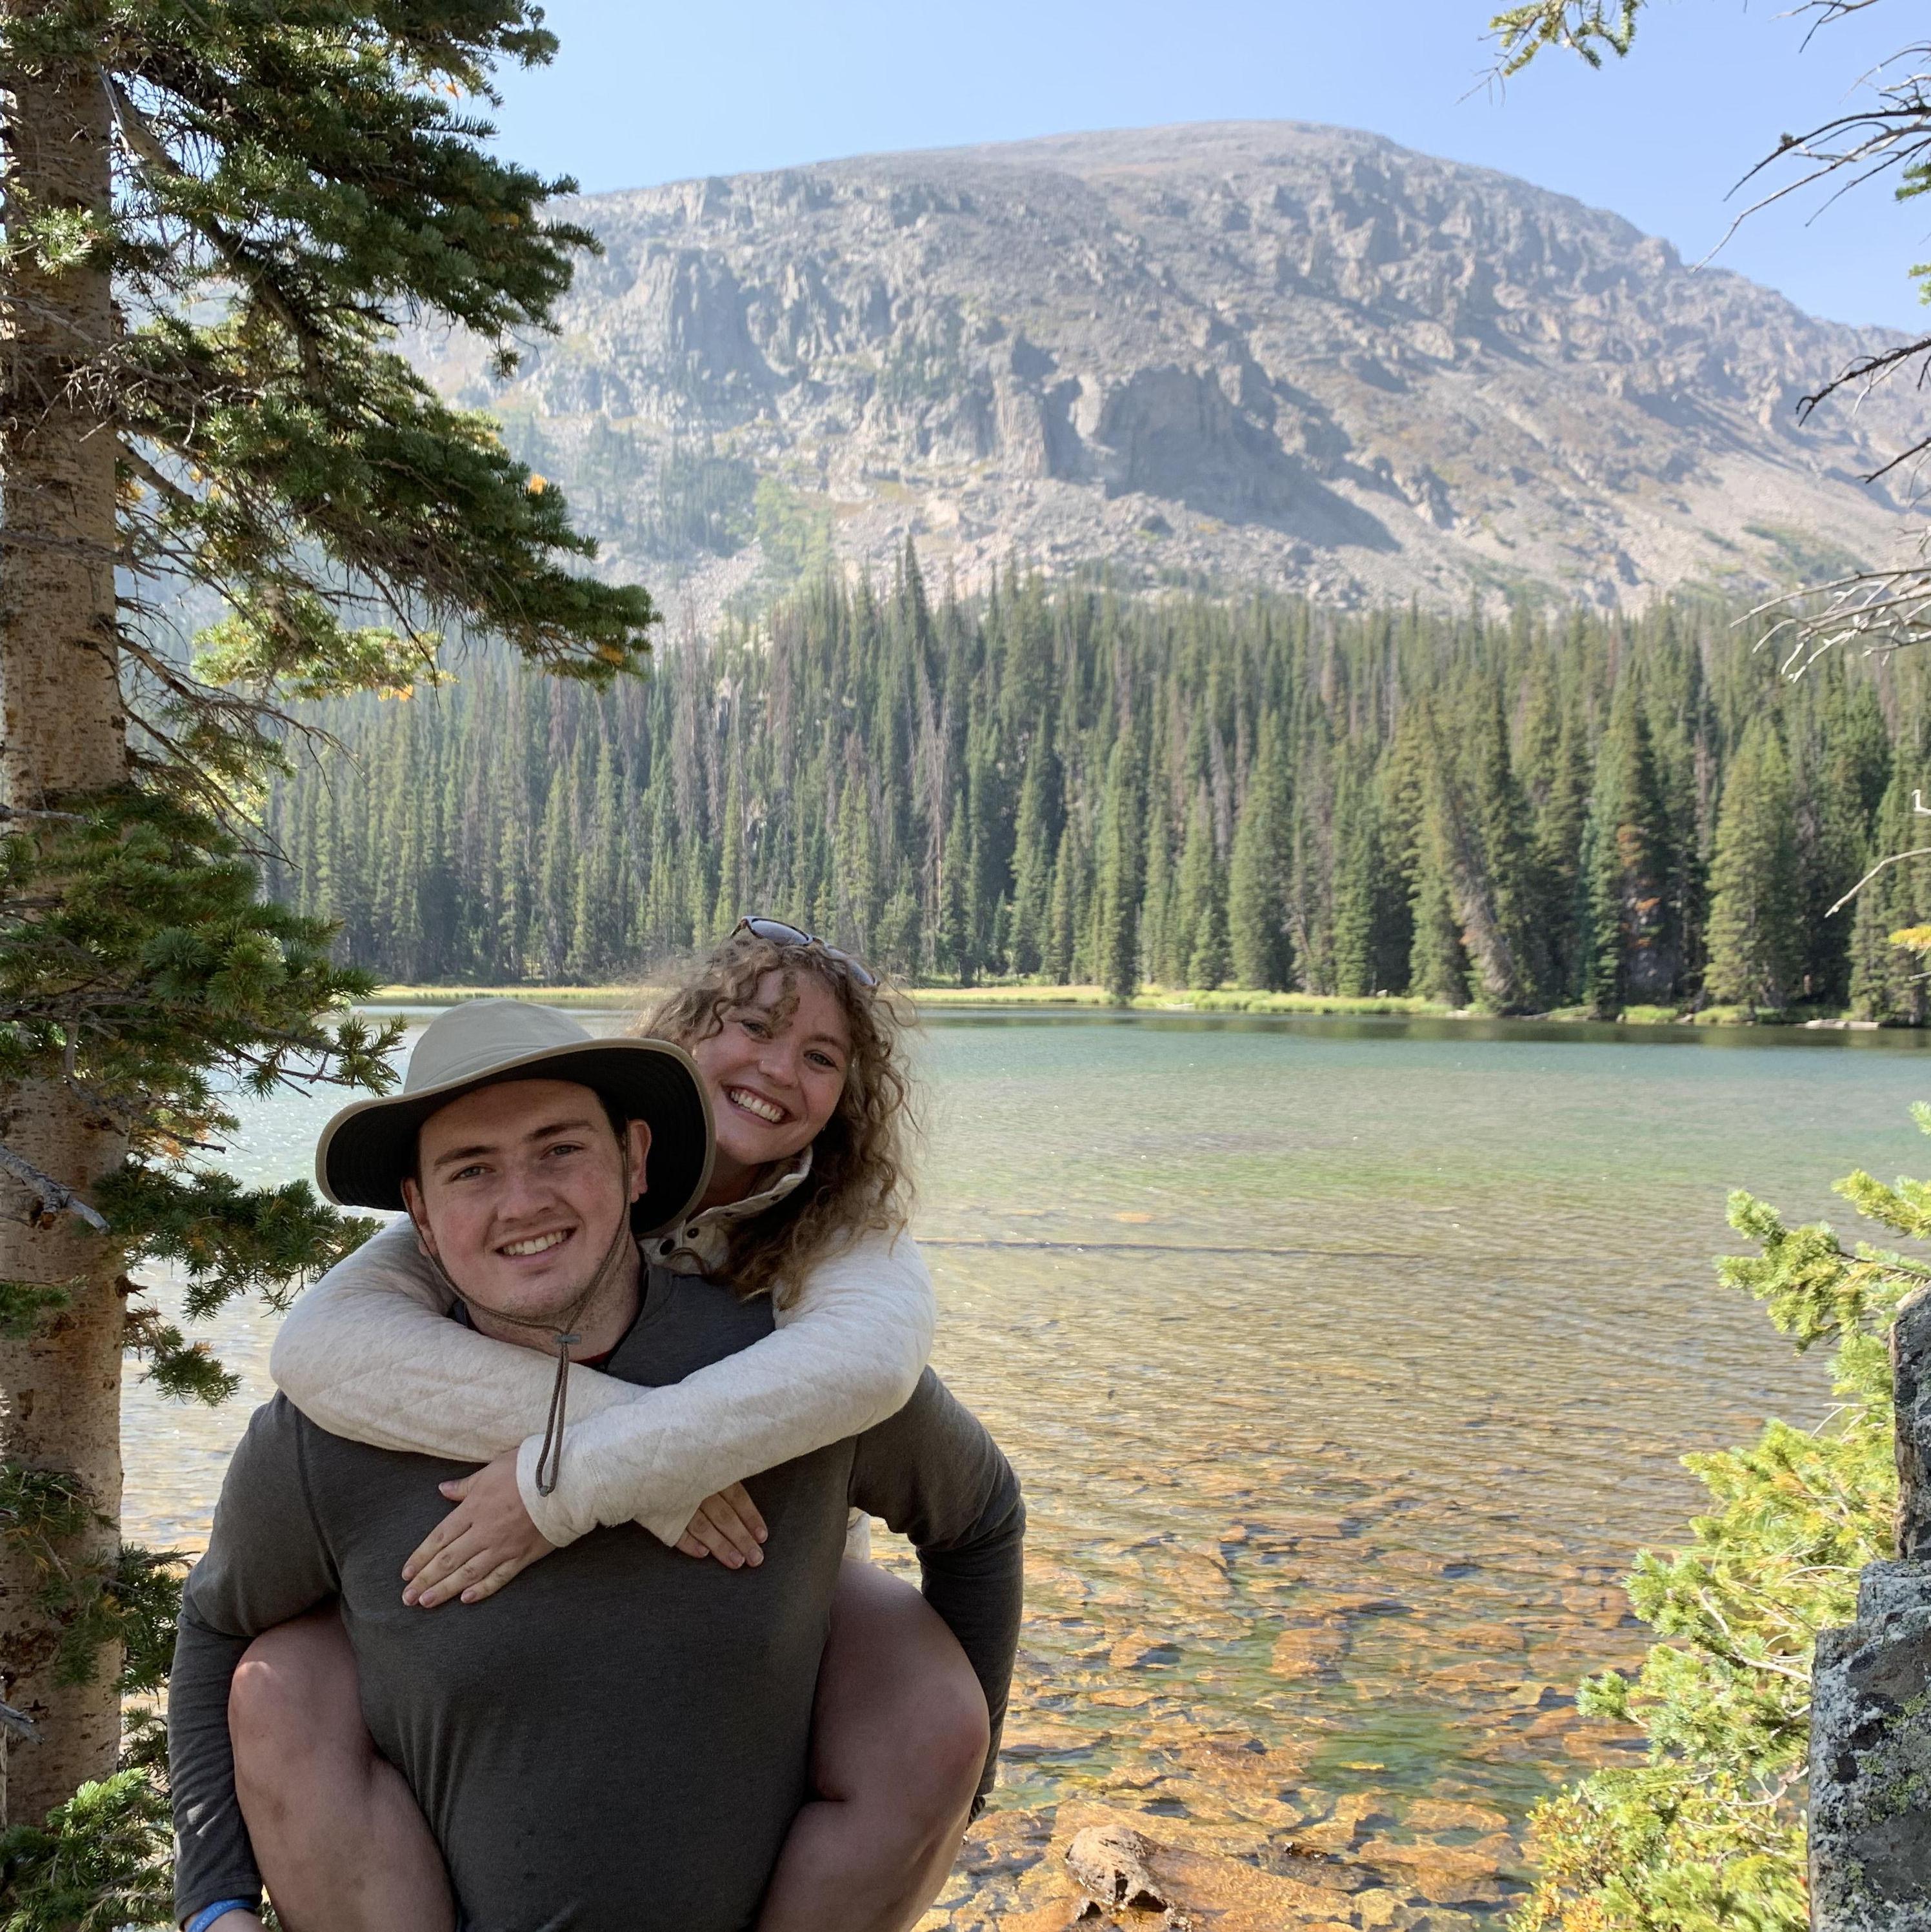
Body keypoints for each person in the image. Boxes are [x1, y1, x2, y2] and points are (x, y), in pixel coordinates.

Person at [169, 998, 1025, 1932]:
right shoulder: (330, 1430)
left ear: (635, 1158)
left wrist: (952, 1796)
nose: (523, 1200)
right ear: (417, 1207)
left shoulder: (783, 1383)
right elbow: (217, 1625)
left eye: (559, 1149)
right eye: (470, 1169)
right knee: (281, 1670)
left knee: (918, 1677)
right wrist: (215, 1905)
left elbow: (980, 1517)